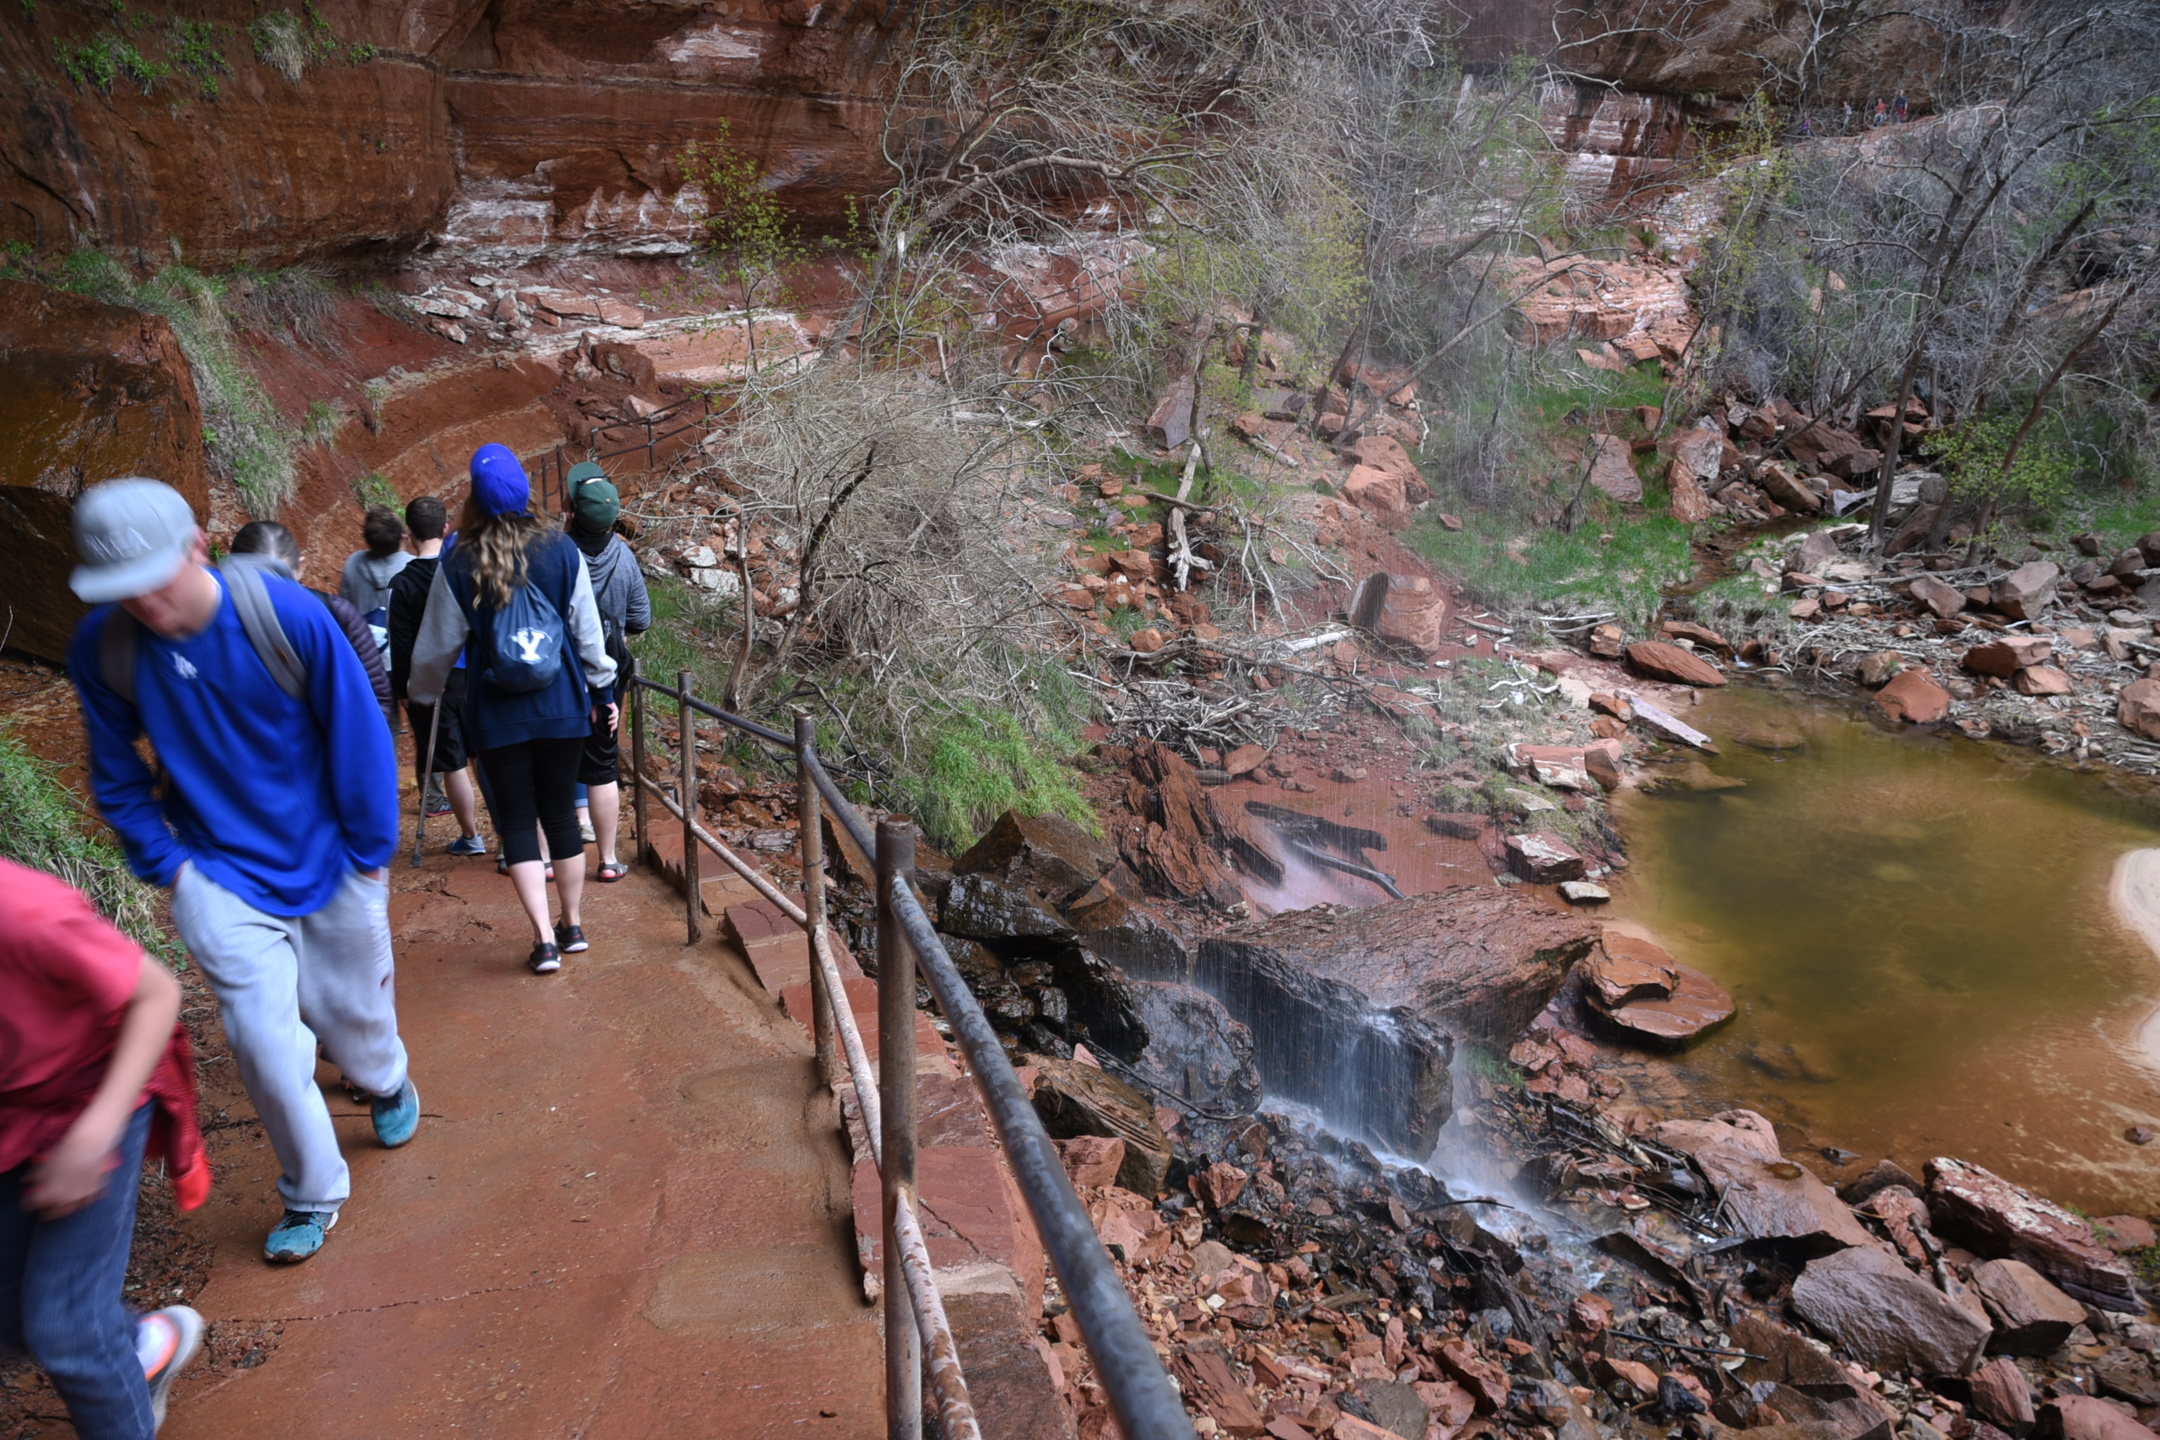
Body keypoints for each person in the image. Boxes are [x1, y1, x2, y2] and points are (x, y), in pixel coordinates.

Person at [67, 479, 418, 1265]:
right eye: (122, 590)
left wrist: (368, 857)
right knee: (262, 1040)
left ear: (199, 546)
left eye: (153, 579)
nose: (143, 604)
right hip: (217, 873)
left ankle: (384, 1077)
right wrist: (170, 868)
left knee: (354, 1016)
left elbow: (359, 731)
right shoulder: (107, 647)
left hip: (331, 858)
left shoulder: (287, 615)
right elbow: (115, 771)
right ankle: (311, 1193)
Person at [0, 859, 210, 1438]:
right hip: (14, 1110)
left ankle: (116, 1366)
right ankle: (141, 1350)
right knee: (13, 1315)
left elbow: (156, 994)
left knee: (66, 1326)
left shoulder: (21, 911)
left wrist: (94, 1133)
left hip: (98, 1092)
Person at [408, 446, 617, 974]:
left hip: (497, 714)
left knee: (520, 824)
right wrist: (603, 692)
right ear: (527, 490)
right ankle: (573, 926)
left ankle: (543, 941)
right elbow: (588, 635)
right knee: (561, 818)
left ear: (474, 498)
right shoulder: (562, 549)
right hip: (563, 707)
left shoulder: (457, 556)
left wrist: (424, 693)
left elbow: (437, 646)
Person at [563, 463, 650, 884]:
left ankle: (558, 845)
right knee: (602, 760)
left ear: (572, 513)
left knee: (559, 753)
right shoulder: (625, 557)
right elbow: (641, 618)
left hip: (563, 669)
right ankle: (608, 858)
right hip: (610, 669)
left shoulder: (556, 553)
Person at [385, 498, 485, 857]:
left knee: (452, 759)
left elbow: (400, 643)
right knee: (484, 756)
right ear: (445, 528)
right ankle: (508, 841)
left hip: (432, 682)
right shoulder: (466, 569)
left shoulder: (402, 583)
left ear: (408, 533)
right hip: (473, 674)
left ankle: (472, 837)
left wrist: (404, 690)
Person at [227, 522, 392, 721]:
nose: (269, 593)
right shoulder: (206, 622)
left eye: (279, 579)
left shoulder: (338, 614)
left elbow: (376, 701)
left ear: (301, 567)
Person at [339, 507, 410, 642]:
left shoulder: (354, 562)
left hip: (363, 651)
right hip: (399, 656)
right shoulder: (413, 567)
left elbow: (343, 613)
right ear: (402, 536)